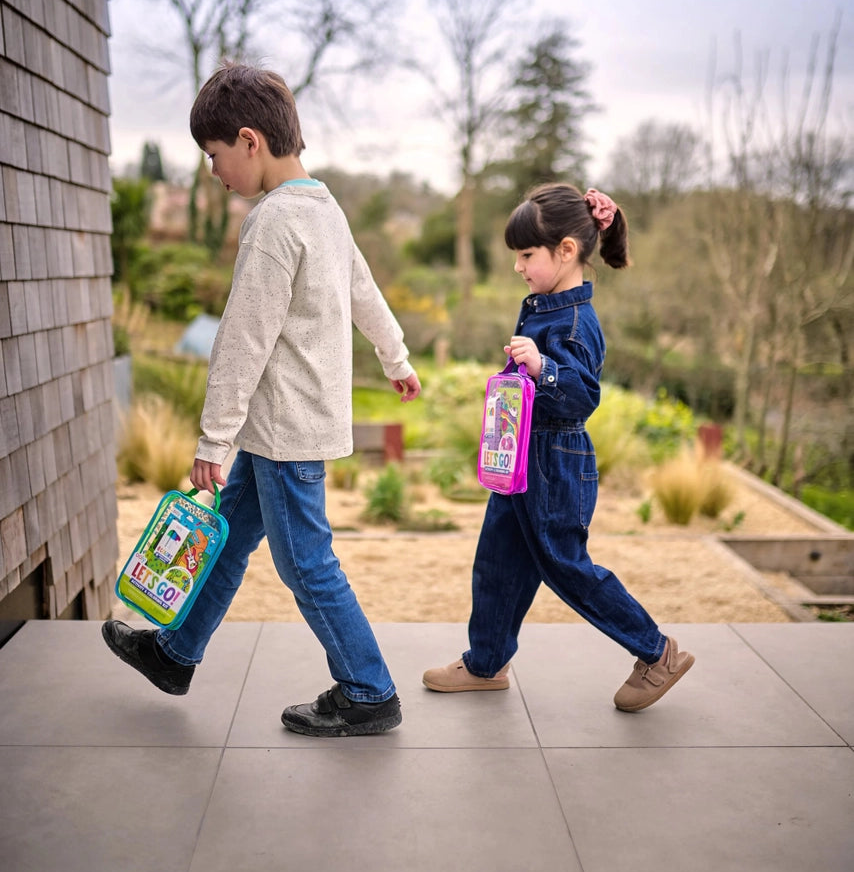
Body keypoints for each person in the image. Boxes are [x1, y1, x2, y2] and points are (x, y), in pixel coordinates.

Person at [103, 62, 421, 737]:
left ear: (250, 141)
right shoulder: (324, 208)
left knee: (306, 562)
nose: (214, 173)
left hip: (285, 430)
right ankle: (175, 651)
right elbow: (365, 286)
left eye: (215, 156)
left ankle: (370, 688)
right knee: (228, 539)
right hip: (286, 425)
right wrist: (395, 356)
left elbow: (242, 340)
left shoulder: (275, 222)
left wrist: (212, 441)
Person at [423, 184, 694, 711]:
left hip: (555, 461)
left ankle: (657, 653)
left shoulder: (575, 320)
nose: (519, 267)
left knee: (566, 564)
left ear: (566, 250)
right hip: (522, 456)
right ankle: (485, 663)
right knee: (498, 560)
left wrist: (542, 367)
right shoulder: (547, 308)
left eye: (527, 255)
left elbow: (582, 396)